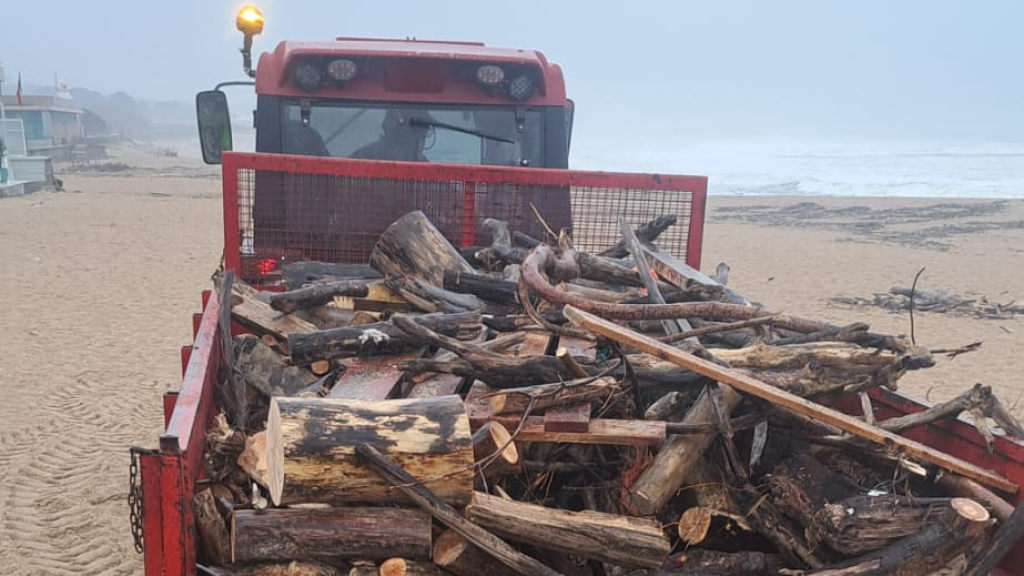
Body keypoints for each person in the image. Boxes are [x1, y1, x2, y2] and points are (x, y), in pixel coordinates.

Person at [351, 109, 431, 162]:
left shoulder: (422, 162)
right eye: (420, 130)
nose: (423, 134)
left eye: (424, 130)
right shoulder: (364, 157)